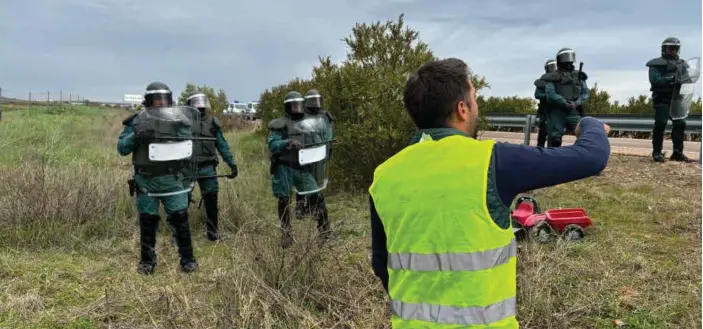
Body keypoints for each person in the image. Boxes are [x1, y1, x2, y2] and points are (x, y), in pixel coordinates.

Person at [369, 58, 610, 328]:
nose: (476, 106)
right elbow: (591, 157)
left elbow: (382, 264)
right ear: (462, 109)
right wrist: (589, 124)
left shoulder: (384, 174)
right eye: (474, 97)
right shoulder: (492, 160)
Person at [117, 81, 198, 275]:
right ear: (148, 101)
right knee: (147, 222)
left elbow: (188, 148)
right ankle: (147, 261)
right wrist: (137, 136)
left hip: (172, 179)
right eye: (156, 99)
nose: (161, 103)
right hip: (147, 181)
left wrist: (188, 181)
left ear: (170, 100)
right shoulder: (137, 122)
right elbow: (122, 149)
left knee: (180, 220)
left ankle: (187, 260)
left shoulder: (179, 121)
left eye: (164, 99)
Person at [268, 91, 332, 248]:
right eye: (293, 105)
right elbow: (273, 144)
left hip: (303, 167)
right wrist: (287, 142)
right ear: (288, 106)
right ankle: (286, 234)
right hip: (284, 166)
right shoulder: (280, 124)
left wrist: (322, 146)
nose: (297, 108)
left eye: (299, 105)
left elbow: (318, 139)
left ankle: (325, 232)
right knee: (284, 200)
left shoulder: (309, 123)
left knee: (317, 196)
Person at [185, 93, 239, 240]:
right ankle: (179, 234)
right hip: (186, 167)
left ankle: (213, 232)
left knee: (211, 199)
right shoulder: (182, 123)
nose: (200, 108)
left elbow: (222, 144)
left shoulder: (212, 123)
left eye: (202, 106)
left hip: (207, 167)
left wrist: (232, 163)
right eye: (197, 105)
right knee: (181, 200)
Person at [645, 37, 694, 162]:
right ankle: (657, 152)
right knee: (661, 123)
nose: (673, 50)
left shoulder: (682, 64)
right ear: (664, 48)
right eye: (671, 48)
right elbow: (655, 80)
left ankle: (677, 152)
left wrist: (686, 83)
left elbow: (688, 79)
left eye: (676, 48)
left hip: (678, 99)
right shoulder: (656, 63)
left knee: (680, 124)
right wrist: (672, 79)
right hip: (662, 98)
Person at [294, 89, 334, 220]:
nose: (315, 103)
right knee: (304, 180)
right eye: (313, 100)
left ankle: (315, 208)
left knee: (318, 182)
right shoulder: (302, 116)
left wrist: (329, 149)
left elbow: (328, 134)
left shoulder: (325, 116)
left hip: (321, 153)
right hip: (307, 154)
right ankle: (300, 206)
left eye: (317, 100)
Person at [542, 48, 590, 147]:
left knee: (584, 136)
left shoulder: (578, 76)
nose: (569, 62)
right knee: (555, 140)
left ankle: (579, 157)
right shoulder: (552, 76)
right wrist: (563, 102)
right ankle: (550, 159)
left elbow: (585, 93)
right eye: (565, 59)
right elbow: (550, 94)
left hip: (574, 111)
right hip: (557, 112)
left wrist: (576, 103)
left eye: (570, 59)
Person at [534, 59, 557, 147]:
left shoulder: (559, 80)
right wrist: (549, 96)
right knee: (541, 138)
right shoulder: (543, 79)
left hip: (556, 114)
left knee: (553, 140)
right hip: (544, 113)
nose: (553, 69)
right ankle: (539, 155)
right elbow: (537, 94)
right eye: (551, 67)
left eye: (554, 66)